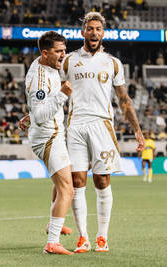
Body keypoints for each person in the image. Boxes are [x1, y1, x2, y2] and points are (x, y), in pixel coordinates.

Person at [60, 12, 144, 253]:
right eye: (90, 28)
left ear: (103, 33)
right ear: (82, 32)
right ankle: (83, 237)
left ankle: (102, 237)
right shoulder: (68, 61)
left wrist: (137, 131)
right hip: (75, 125)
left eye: (98, 29)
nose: (94, 32)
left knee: (102, 180)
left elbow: (123, 100)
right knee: (77, 182)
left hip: (102, 125)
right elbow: (55, 91)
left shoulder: (113, 62)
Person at [24, 31, 74, 255]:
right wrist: (63, 94)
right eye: (59, 51)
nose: (64, 55)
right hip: (48, 136)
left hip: (52, 132)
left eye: (64, 50)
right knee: (67, 189)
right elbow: (41, 114)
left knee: (60, 183)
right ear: (45, 53)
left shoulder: (47, 67)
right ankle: (52, 242)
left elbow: (37, 109)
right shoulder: (40, 78)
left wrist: (30, 114)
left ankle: (54, 221)